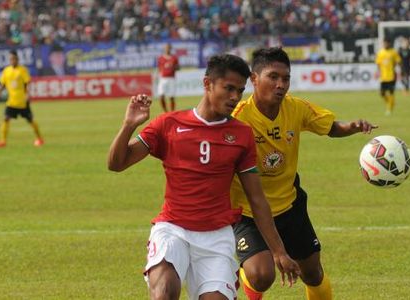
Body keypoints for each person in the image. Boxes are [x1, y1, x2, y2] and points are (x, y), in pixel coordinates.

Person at [108, 54, 300, 300]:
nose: (234, 97)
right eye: (228, 88)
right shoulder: (169, 124)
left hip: (216, 236)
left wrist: (278, 251)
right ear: (207, 84)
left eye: (239, 91)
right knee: (164, 290)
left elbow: (257, 198)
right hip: (172, 229)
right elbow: (117, 163)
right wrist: (128, 125)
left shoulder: (241, 135)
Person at [230, 47, 377, 300]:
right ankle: (247, 275)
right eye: (273, 77)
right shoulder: (238, 119)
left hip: (289, 205)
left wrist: (351, 127)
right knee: (262, 275)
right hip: (248, 212)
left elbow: (330, 127)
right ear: (254, 79)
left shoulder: (295, 108)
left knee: (312, 273)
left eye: (285, 78)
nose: (280, 85)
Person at [0, 50, 44, 148]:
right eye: (10, 59)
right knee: (6, 118)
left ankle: (39, 138)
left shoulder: (22, 70)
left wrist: (27, 94)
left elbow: (27, 83)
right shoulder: (6, 70)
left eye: (14, 59)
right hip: (11, 101)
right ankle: (3, 141)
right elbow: (2, 84)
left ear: (17, 59)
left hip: (22, 101)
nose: (12, 61)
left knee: (30, 120)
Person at [375, 38, 401, 115]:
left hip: (392, 76)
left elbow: (398, 62)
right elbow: (378, 64)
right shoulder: (380, 53)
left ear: (389, 43)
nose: (385, 44)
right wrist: (378, 72)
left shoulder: (393, 52)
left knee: (391, 93)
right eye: (384, 43)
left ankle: (389, 109)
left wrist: (400, 72)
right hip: (383, 77)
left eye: (386, 43)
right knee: (382, 93)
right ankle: (390, 103)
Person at [157, 43, 179, 112]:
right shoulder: (160, 58)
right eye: (166, 48)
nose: (167, 49)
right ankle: (165, 112)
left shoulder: (174, 58)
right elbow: (159, 68)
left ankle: (172, 112)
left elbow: (178, 68)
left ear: (170, 49)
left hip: (171, 79)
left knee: (171, 97)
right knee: (161, 96)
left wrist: (172, 66)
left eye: (169, 48)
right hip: (163, 79)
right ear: (164, 48)